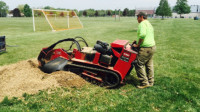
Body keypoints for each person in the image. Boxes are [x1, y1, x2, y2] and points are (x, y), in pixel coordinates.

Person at [133, 12, 156, 89]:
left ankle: (144, 83)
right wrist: (137, 41)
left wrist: (138, 45)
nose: (137, 19)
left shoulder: (142, 24)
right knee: (149, 65)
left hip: (145, 48)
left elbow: (142, 35)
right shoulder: (148, 23)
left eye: (138, 17)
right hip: (152, 47)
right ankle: (151, 82)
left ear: (141, 17)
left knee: (138, 64)